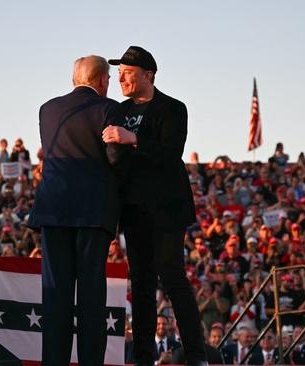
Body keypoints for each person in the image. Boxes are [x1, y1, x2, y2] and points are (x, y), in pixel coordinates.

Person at [102, 45, 207, 365]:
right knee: (143, 284)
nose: (120, 77)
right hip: (133, 210)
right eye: (118, 73)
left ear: (148, 75)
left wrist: (130, 138)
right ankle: (144, 358)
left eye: (128, 72)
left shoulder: (173, 108)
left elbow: (169, 153)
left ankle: (196, 355)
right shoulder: (118, 109)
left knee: (172, 276)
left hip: (166, 209)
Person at [28, 55, 121, 366]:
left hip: (53, 211)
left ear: (74, 79)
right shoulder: (109, 108)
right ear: (102, 80)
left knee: (56, 295)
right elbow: (115, 158)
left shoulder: (47, 109)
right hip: (93, 213)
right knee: (91, 296)